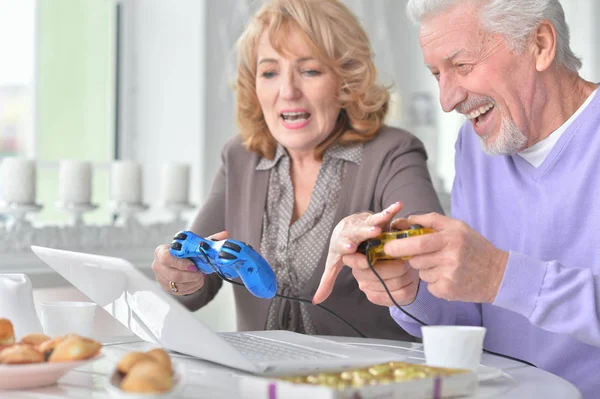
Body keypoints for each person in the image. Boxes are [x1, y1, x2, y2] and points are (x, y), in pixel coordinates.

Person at [314, 0, 599, 397]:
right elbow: (473, 314)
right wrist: (413, 287)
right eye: (436, 74)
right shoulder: (476, 143)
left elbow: (501, 282)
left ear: (540, 44)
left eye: (462, 66)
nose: (447, 101)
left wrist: (503, 275)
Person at [151, 0, 442, 340]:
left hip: (364, 386)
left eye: (310, 71)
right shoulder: (239, 158)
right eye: (270, 72)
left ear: (345, 82)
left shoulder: (392, 153)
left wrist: (373, 242)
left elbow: (432, 255)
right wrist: (176, 275)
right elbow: (195, 288)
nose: (288, 92)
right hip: (262, 384)